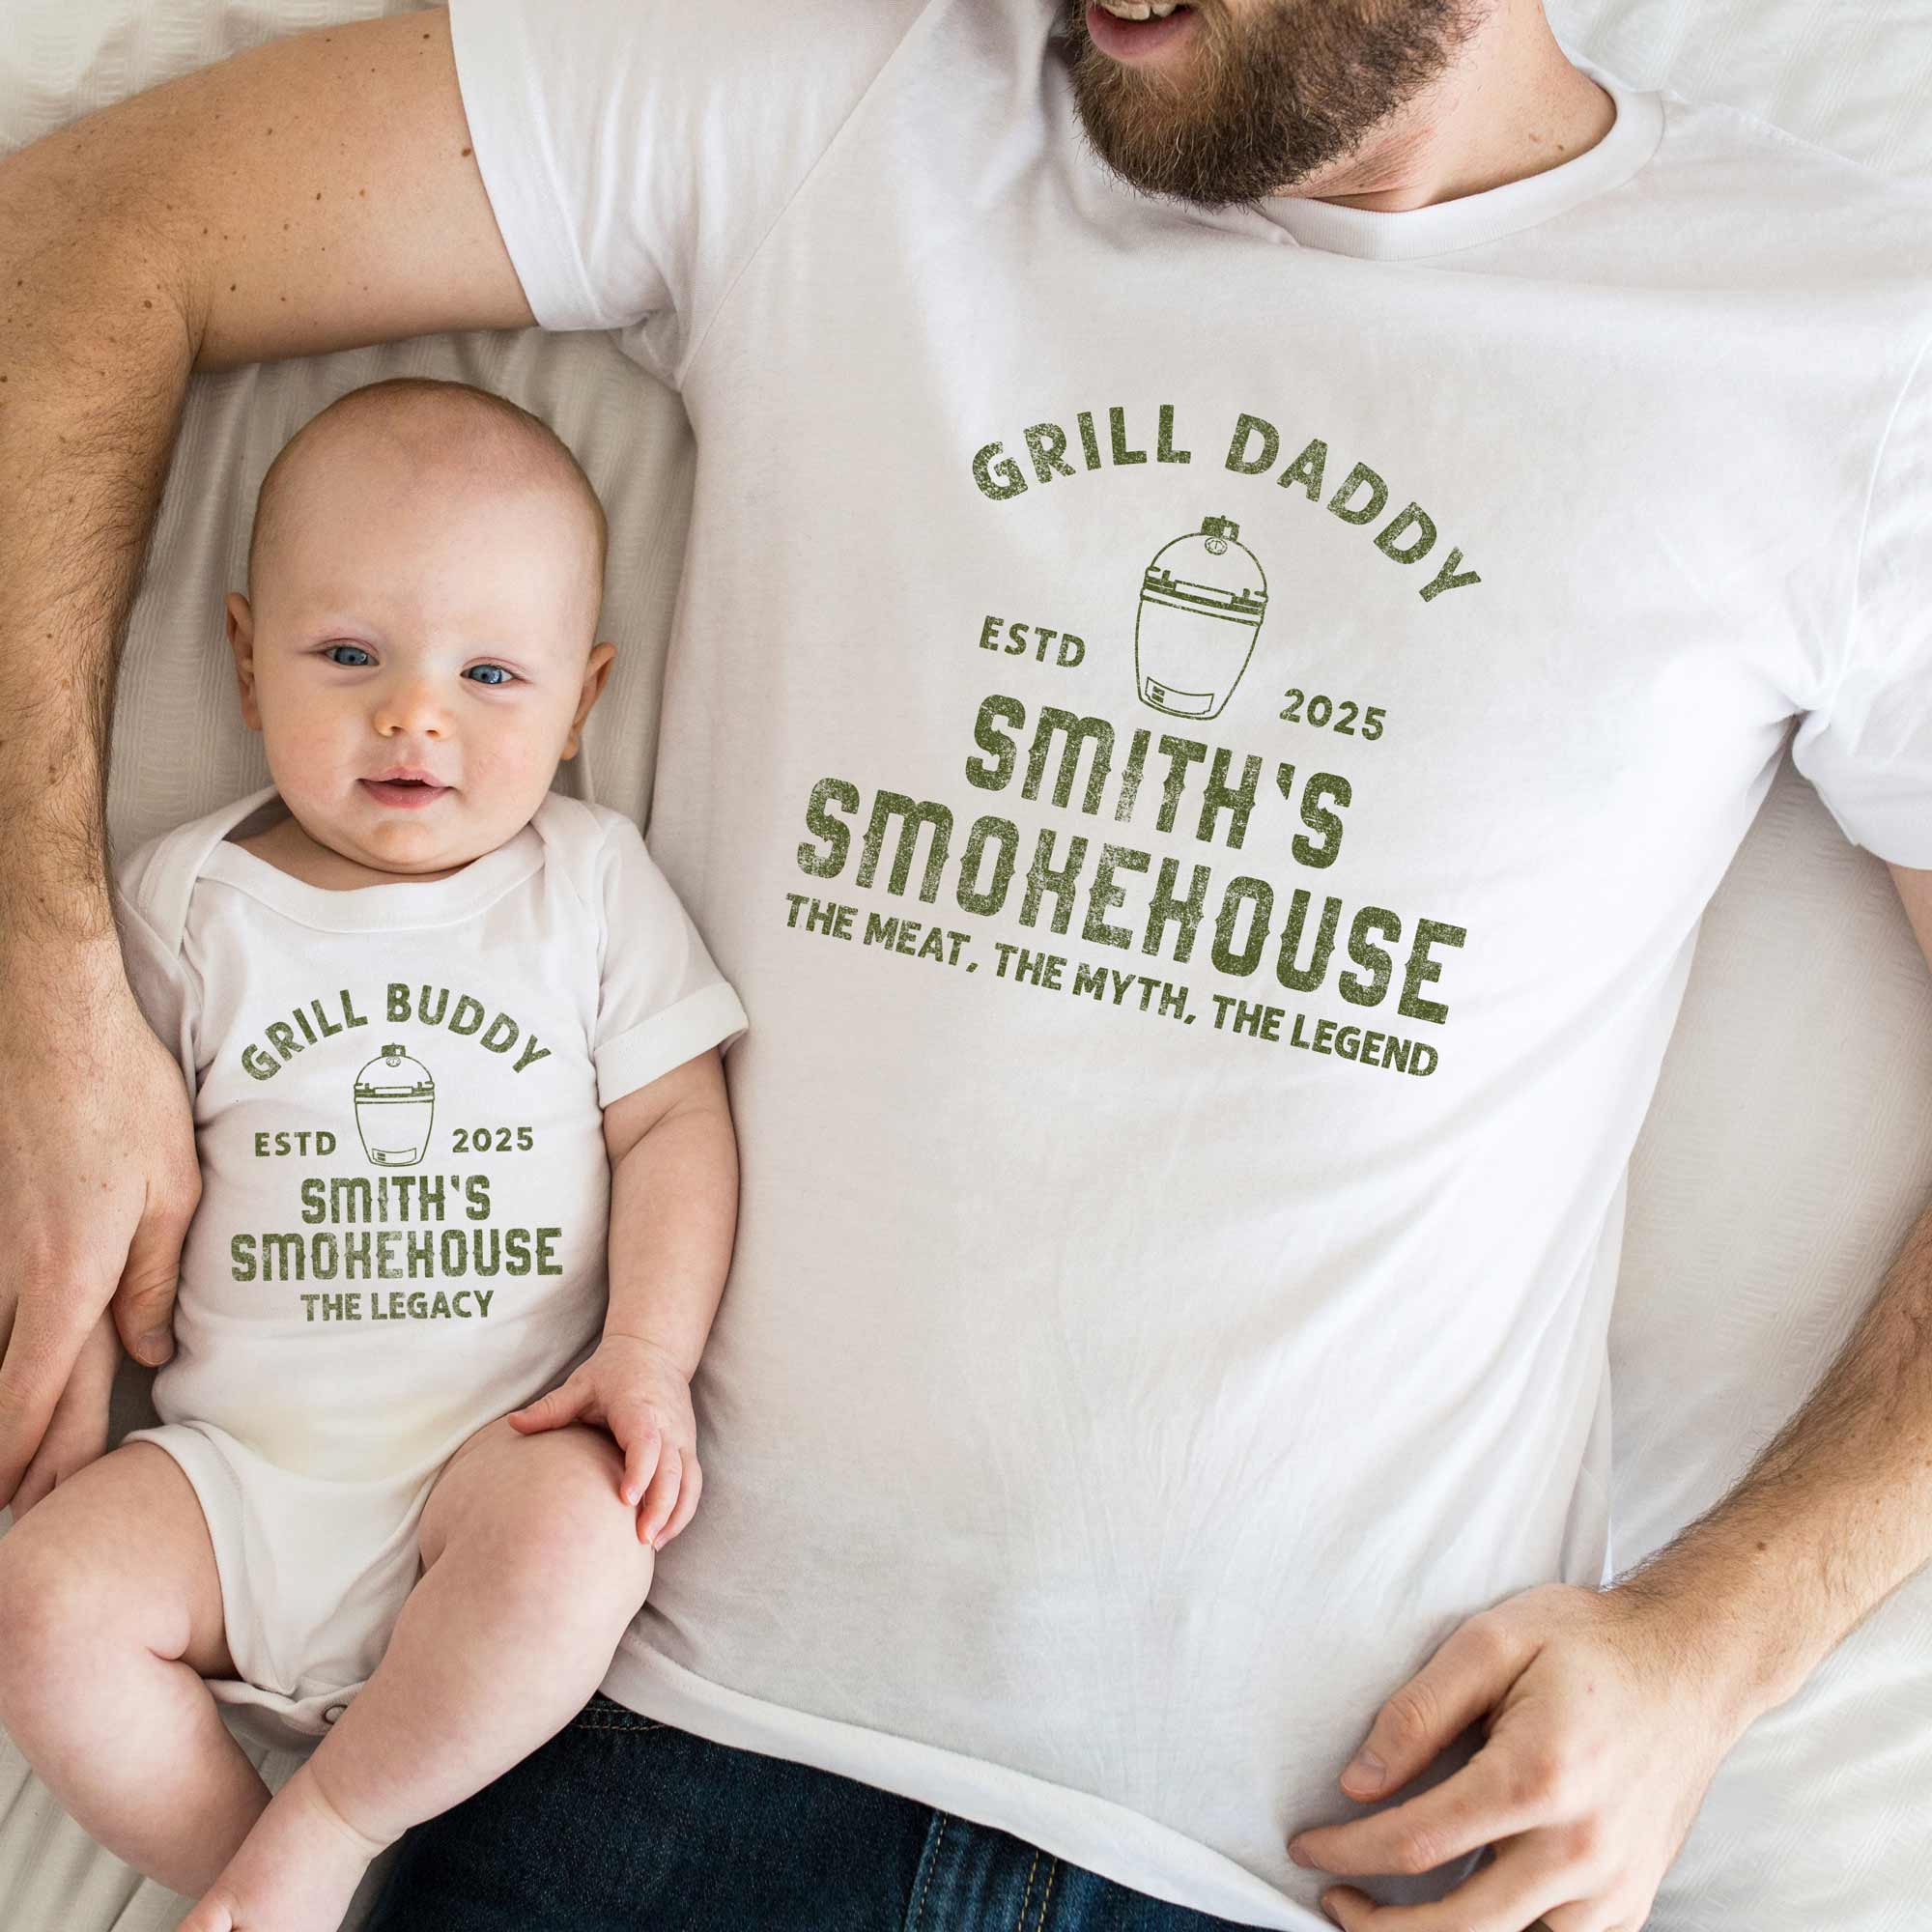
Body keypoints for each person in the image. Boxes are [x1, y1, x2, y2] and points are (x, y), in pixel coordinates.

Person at [1, 1, 1929, 1927]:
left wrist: (1716, 1643)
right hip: (627, 1759)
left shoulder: (1841, 349)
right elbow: (81, 228)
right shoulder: (857, 85)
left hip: (1312, 1865)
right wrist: (55, 991)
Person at [0, 376, 750, 1932]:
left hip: (486, 1465)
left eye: (491, 674)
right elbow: (82, 1136)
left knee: (584, 1537)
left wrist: (650, 1354)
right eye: (350, 656)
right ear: (241, 655)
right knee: (40, 1604)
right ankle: (250, 1882)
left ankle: (329, 1829)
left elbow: (677, 1119)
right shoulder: (185, 901)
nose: (417, 715)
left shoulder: (588, 886)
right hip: (233, 1482)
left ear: (585, 701)